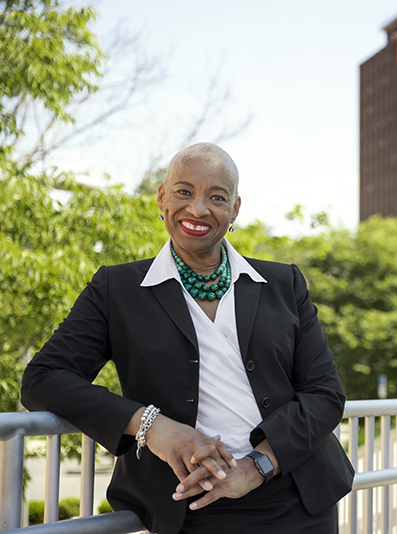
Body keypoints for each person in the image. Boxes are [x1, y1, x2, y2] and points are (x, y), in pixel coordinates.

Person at [21, 143, 354, 534]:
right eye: (184, 192)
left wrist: (257, 466)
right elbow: (43, 378)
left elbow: (325, 394)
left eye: (216, 197)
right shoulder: (118, 289)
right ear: (162, 197)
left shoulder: (283, 283)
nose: (197, 208)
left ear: (235, 210)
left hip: (295, 498)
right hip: (187, 507)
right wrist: (152, 425)